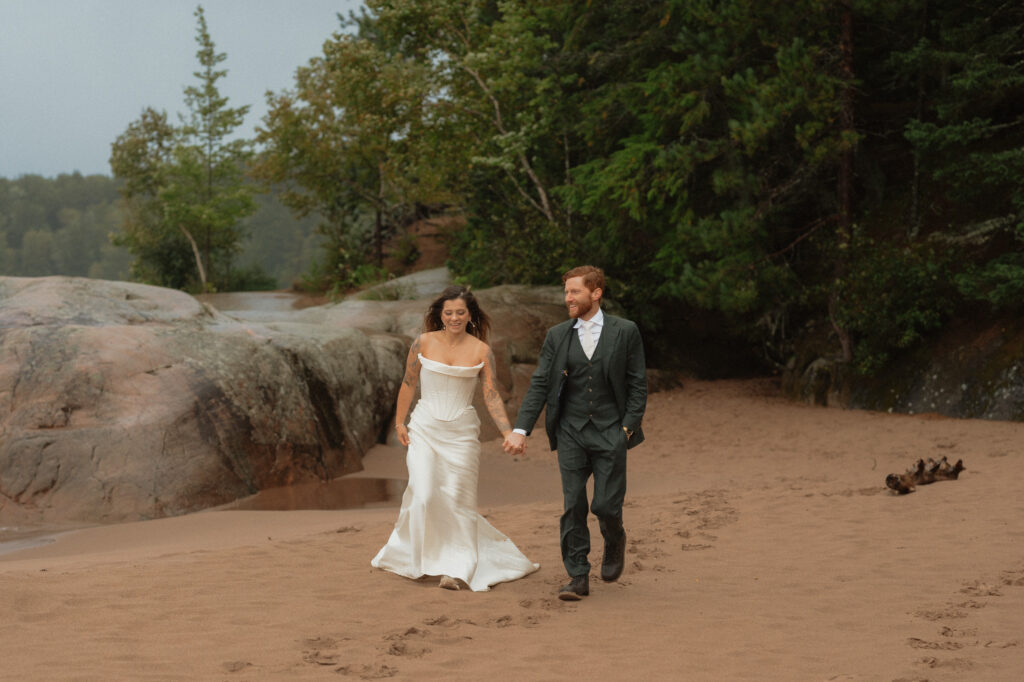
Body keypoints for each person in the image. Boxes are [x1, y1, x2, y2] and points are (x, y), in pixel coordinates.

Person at [371, 285, 539, 592]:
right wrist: (399, 423)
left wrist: (507, 432)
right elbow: (408, 384)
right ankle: (417, 556)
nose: (454, 317)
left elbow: (490, 395)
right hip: (424, 427)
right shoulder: (421, 343)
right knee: (423, 494)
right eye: (448, 312)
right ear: (439, 314)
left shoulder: (481, 350)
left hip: (461, 434)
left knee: (459, 501)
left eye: (460, 312)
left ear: (470, 315)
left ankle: (457, 568)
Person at [504, 265, 647, 601]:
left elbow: (638, 383)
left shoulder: (625, 331)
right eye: (566, 292)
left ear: (596, 293)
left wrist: (627, 427)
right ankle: (578, 575)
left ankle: (614, 540)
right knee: (573, 504)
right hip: (570, 431)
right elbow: (540, 382)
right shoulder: (557, 335)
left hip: (612, 430)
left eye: (574, 292)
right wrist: (521, 429)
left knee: (606, 506)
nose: (568, 298)